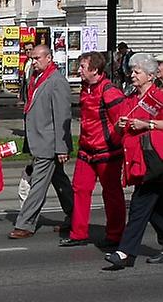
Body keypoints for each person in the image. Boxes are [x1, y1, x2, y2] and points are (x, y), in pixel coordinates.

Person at [59, 52, 126, 248]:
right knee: (80, 189)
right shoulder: (86, 88)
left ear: (94, 70)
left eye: (82, 66)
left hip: (107, 152)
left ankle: (115, 235)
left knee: (111, 193)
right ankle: (78, 233)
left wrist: (111, 144)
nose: (78, 70)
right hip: (87, 149)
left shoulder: (110, 92)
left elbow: (121, 123)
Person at [104, 53, 163, 269]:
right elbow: (120, 133)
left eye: (137, 72)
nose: (132, 75)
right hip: (139, 159)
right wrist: (121, 126)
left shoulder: (159, 97)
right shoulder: (130, 99)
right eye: (132, 71)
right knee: (154, 209)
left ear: (150, 76)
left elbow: (155, 124)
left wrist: (147, 124)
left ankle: (125, 253)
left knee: (139, 205)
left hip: (155, 159)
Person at [8, 44, 73, 239]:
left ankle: (25, 223)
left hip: (50, 143)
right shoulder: (36, 79)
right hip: (39, 140)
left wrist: (62, 147)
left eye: (37, 58)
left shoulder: (56, 81)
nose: (33, 62)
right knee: (60, 181)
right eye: (32, 58)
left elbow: (63, 117)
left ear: (49, 58)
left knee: (38, 185)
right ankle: (76, 216)